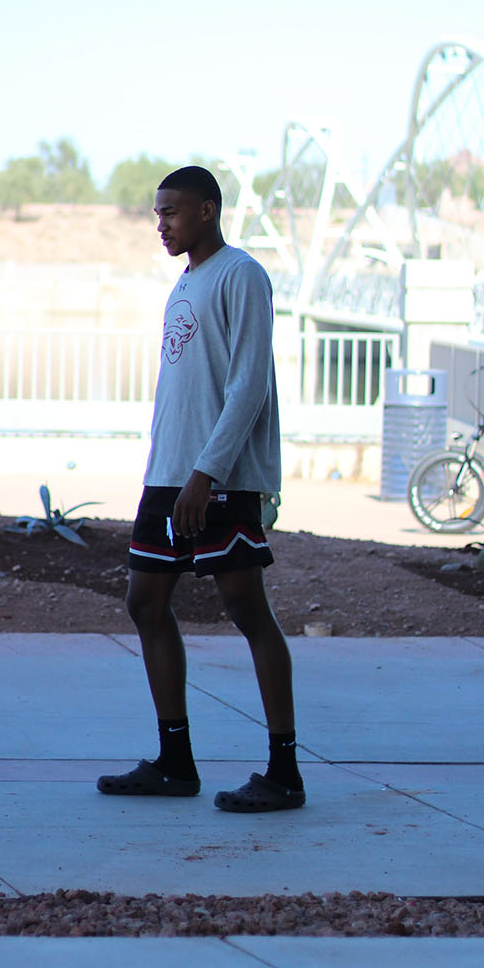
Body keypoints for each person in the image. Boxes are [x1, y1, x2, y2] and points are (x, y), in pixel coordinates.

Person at [97, 166, 304, 812]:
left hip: (217, 478)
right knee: (145, 602)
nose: (162, 224)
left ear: (208, 211)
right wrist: (171, 470)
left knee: (246, 609)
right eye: (157, 214)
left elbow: (249, 385)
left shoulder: (240, 274)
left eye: (173, 212)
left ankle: (283, 772)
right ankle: (174, 761)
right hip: (170, 475)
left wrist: (206, 474)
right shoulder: (186, 280)